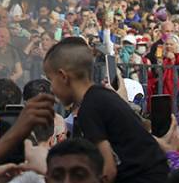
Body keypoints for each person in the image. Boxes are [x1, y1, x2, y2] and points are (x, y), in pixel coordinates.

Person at [44, 37, 169, 183]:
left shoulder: (89, 108)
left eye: (50, 80)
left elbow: (108, 171)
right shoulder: (102, 96)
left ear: (63, 77)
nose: (51, 88)